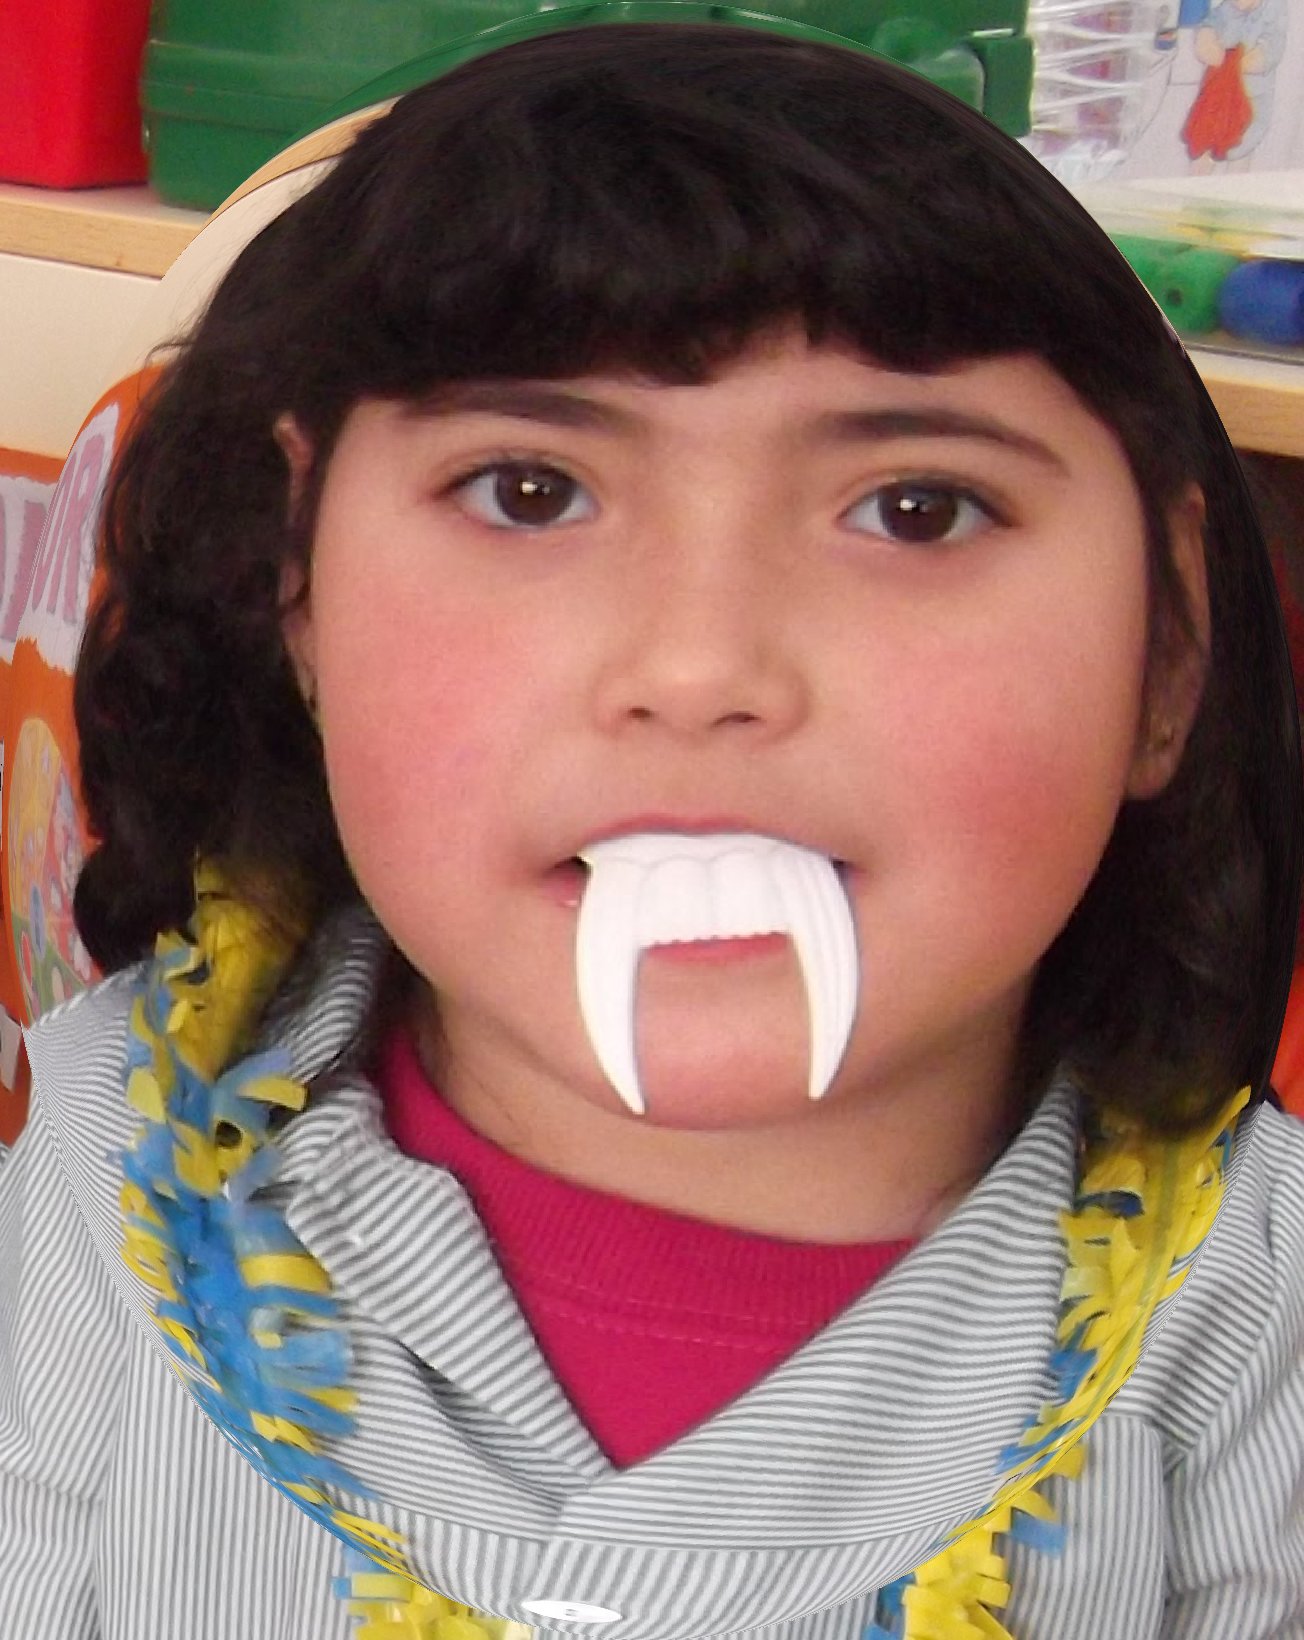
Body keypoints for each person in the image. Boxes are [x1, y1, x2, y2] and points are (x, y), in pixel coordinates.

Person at [2, 23, 1301, 1640]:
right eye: (528, 492)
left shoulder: (1259, 1328)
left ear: (1166, 649)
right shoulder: (100, 1157)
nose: (701, 669)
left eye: (917, 510)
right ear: (299, 593)